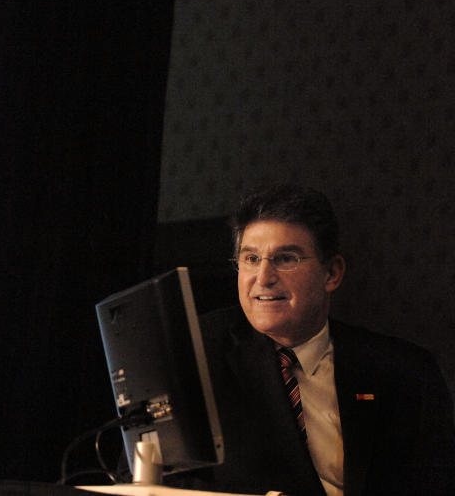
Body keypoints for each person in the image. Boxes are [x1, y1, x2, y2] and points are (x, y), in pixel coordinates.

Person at [189, 184, 455, 495]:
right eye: (250, 259)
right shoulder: (194, 352)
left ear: (331, 274)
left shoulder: (406, 373)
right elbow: (147, 481)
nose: (263, 278)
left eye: (286, 259)